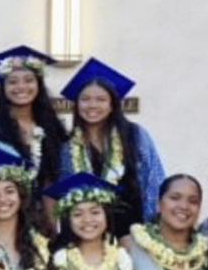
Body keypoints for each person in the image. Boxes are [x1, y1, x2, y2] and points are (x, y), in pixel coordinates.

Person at [57, 59, 165, 235]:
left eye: (101, 99)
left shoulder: (135, 135)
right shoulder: (67, 147)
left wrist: (152, 231)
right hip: (86, 235)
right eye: (85, 99)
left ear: (112, 105)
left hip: (133, 234)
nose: (92, 105)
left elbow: (153, 183)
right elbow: (65, 199)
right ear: (77, 104)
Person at [0, 46, 68, 192]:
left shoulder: (52, 125)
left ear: (38, 84)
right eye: (13, 82)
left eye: (29, 80)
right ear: (3, 87)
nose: (21, 87)